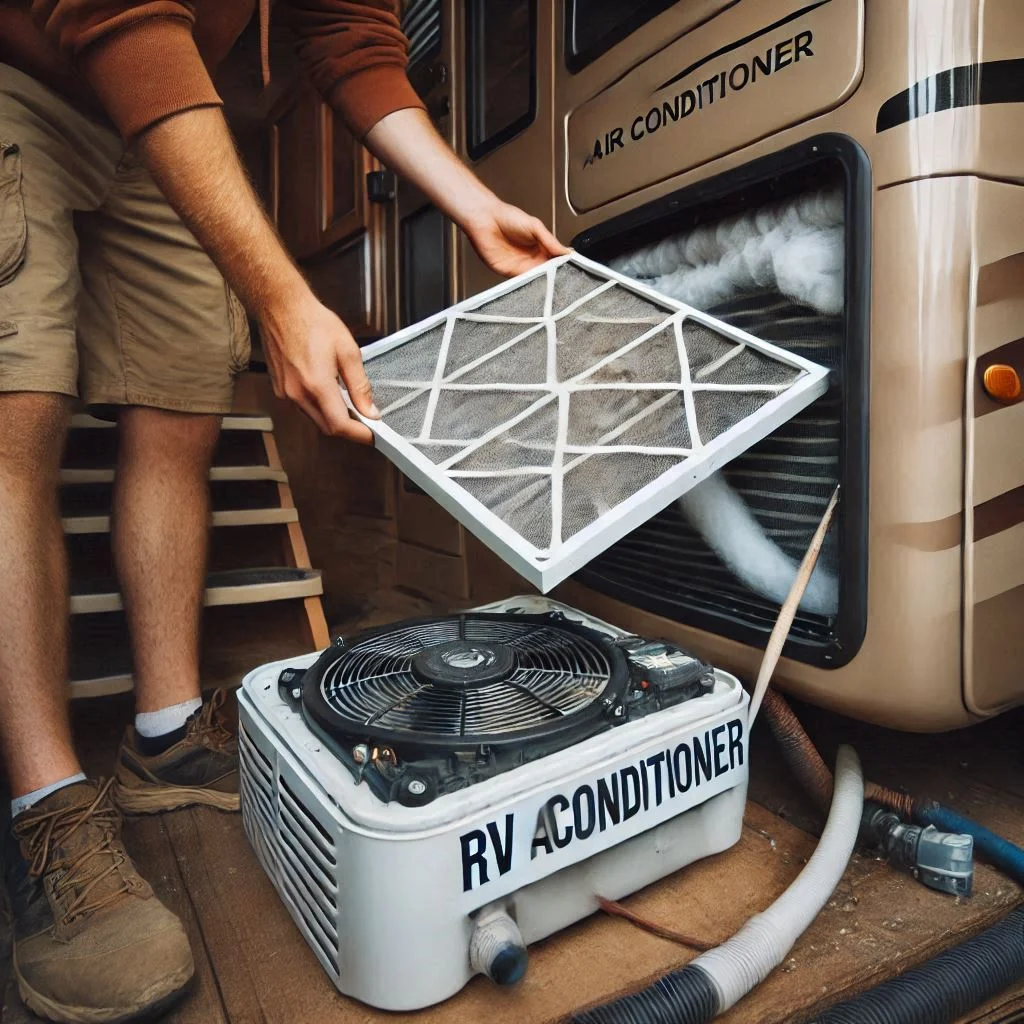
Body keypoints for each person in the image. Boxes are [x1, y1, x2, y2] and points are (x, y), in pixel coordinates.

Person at [0, 1, 567, 1020]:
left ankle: (166, 738)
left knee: (182, 405)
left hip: (172, 118)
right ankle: (46, 804)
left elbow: (346, 34)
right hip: (29, 69)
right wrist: (280, 293)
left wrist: (468, 201)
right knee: (16, 415)